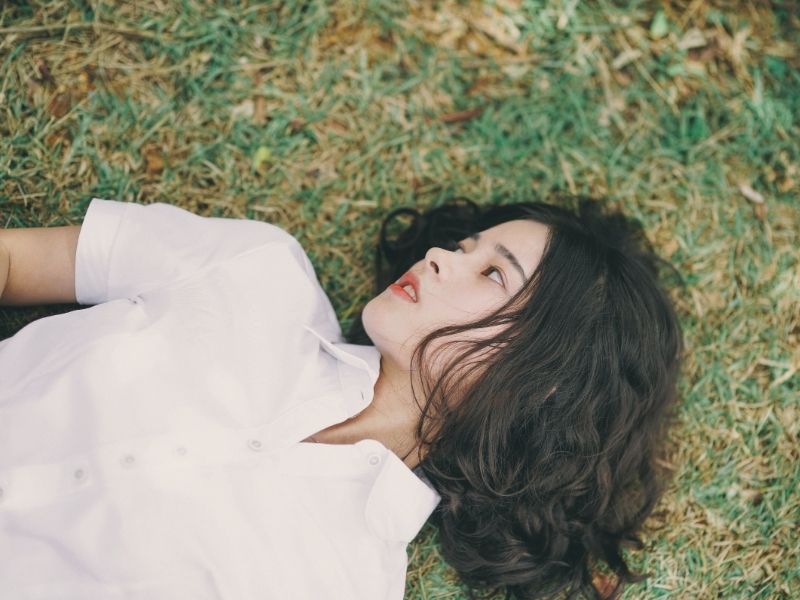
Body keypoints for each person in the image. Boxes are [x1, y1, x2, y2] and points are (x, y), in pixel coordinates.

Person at [0, 195, 682, 600]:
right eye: (465, 245)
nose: (441, 256)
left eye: (493, 275)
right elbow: (13, 262)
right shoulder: (255, 271)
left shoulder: (345, 581)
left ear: (545, 377)